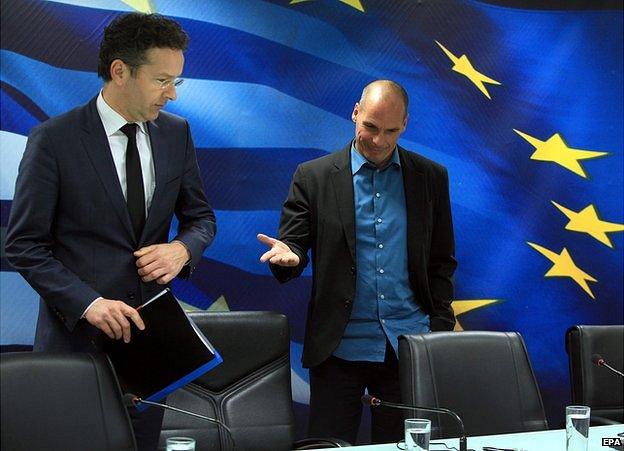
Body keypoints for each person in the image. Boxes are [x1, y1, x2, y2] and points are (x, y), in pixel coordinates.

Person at [5, 12, 216, 450]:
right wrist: (89, 303)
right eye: (162, 80)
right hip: (75, 346)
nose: (173, 95)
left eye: (177, 81)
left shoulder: (177, 134)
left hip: (152, 346)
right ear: (120, 71)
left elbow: (201, 219)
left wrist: (181, 249)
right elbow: (24, 245)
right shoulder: (53, 140)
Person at [258, 80, 457, 444]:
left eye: (391, 131)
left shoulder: (430, 177)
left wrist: (438, 324)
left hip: (408, 345)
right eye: (371, 127)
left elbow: (441, 260)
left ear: (406, 124)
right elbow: (292, 247)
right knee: (328, 446)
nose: (380, 141)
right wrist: (289, 258)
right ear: (355, 113)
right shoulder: (313, 176)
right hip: (338, 348)